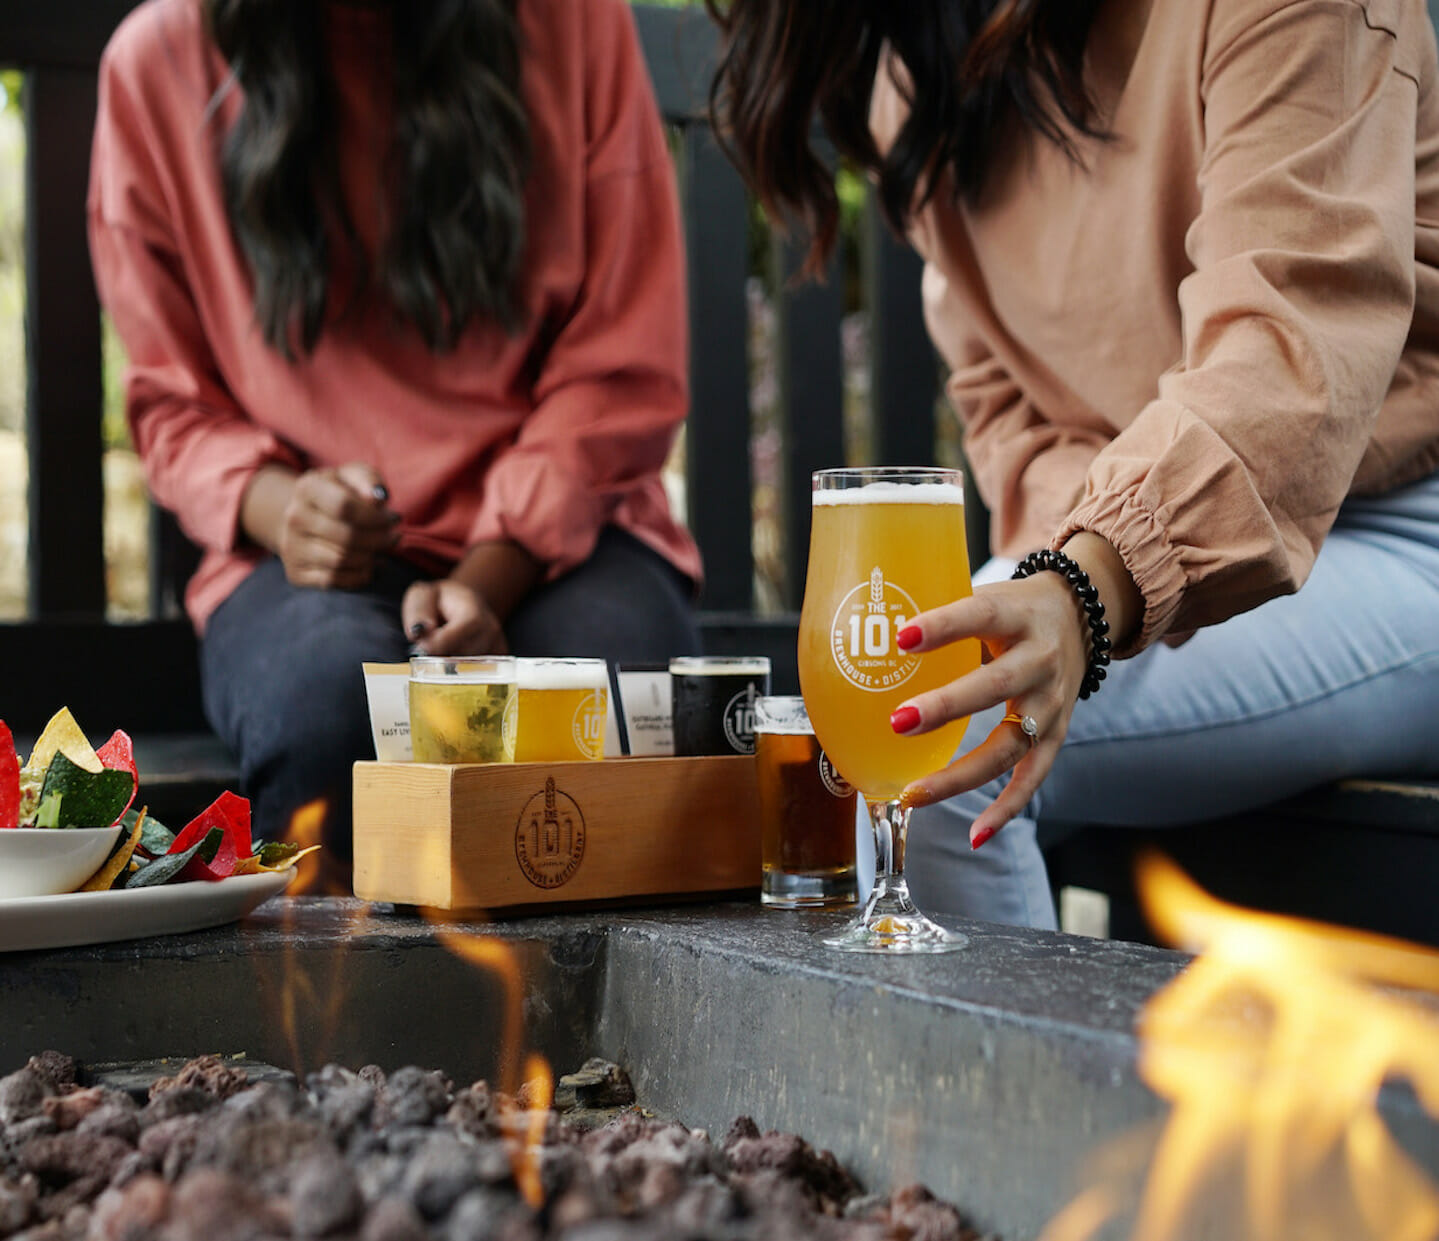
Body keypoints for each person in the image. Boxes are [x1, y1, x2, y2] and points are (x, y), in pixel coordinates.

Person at [705, 0, 1439, 927]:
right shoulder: (923, 63)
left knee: (950, 738)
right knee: (911, 703)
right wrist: (1075, 570)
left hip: (1399, 535)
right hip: (1131, 546)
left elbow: (1288, 360)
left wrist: (1088, 585)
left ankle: (995, 1033)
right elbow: (1003, 398)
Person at [88, 0, 703, 866]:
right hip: (296, 565)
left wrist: (487, 576)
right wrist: (288, 510)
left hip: (563, 538)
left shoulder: (574, 22)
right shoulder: (155, 63)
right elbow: (172, 405)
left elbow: (621, 365)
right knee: (328, 718)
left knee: (623, 706)